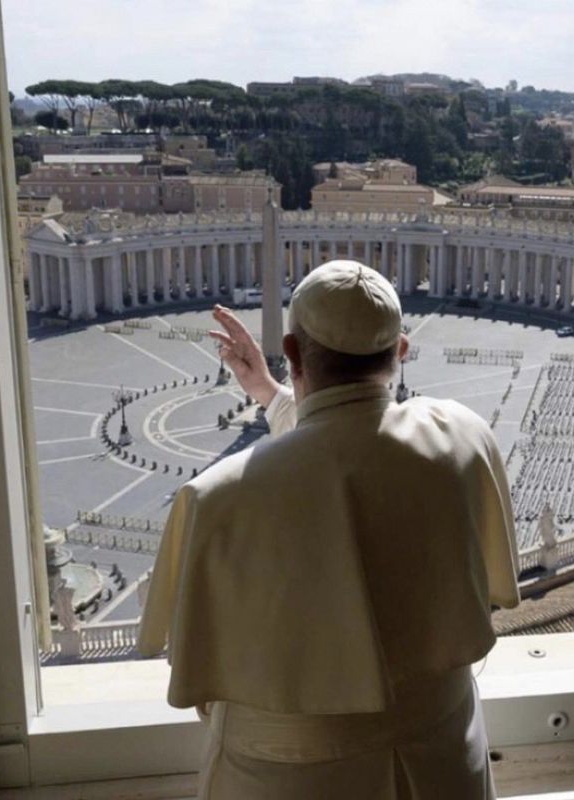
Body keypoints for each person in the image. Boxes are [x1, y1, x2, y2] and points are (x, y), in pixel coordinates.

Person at [138, 260, 520, 799]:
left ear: (292, 351)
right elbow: (358, 435)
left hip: (283, 778)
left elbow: (326, 448)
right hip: (443, 762)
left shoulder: (215, 497)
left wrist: (277, 391)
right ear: (402, 351)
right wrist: (271, 394)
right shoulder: (463, 434)